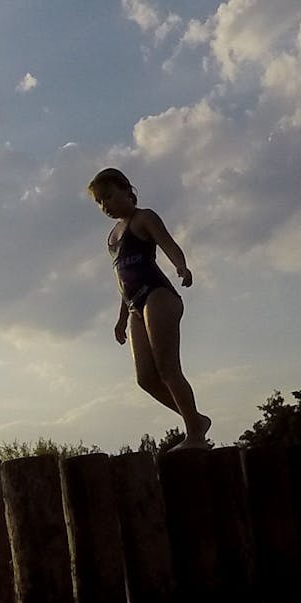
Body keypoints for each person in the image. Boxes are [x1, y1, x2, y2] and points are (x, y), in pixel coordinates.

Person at [89, 168, 211, 452]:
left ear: (126, 190)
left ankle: (195, 435)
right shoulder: (112, 237)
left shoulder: (143, 218)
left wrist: (181, 265)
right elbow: (124, 279)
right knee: (145, 377)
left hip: (158, 296)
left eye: (108, 196)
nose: (105, 205)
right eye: (99, 202)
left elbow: (168, 243)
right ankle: (196, 420)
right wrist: (121, 319)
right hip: (134, 306)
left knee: (168, 367)